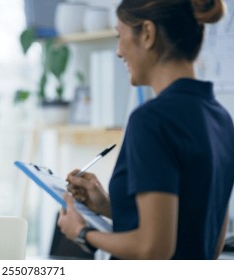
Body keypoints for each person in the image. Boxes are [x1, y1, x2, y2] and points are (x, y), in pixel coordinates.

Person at [57, 0, 234, 259]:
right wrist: (107, 206)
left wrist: (82, 232)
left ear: (148, 34)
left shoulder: (151, 119)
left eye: (120, 35)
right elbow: (206, 236)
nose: (118, 51)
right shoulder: (221, 118)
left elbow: (154, 249)